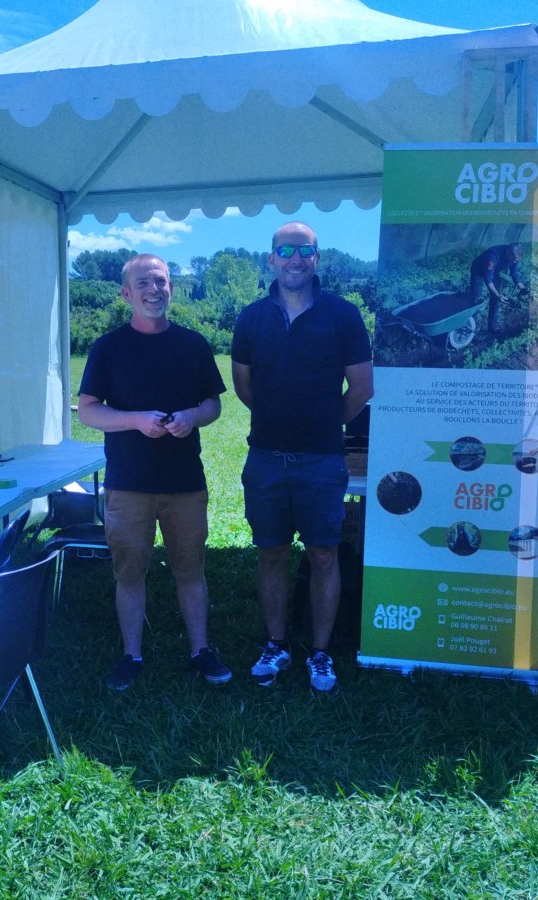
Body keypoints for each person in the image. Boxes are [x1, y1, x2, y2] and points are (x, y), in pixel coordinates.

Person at [78, 253, 231, 691]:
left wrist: (191, 417)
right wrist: (136, 420)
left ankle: (201, 651)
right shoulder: (108, 347)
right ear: (126, 293)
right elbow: (88, 411)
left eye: (161, 281)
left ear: (171, 289)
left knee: (191, 569)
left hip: (184, 482)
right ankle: (131, 655)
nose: (154, 289)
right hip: (129, 483)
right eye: (143, 282)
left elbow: (213, 404)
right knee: (129, 572)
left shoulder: (193, 344)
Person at [231, 222, 373, 693]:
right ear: (271, 259)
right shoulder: (251, 318)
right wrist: (279, 420)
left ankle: (320, 652)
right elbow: (244, 387)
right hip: (266, 459)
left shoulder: (343, 315)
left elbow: (362, 388)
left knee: (323, 554)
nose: (295, 258)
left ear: (317, 258)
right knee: (270, 553)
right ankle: (276, 645)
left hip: (322, 461)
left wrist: (325, 424)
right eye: (286, 250)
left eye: (304, 250)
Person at [468, 242, 528, 332]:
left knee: (495, 298)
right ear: (508, 253)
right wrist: (498, 295)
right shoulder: (493, 256)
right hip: (478, 272)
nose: (514, 262)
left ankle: (492, 326)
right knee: (476, 298)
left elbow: (514, 273)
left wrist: (522, 288)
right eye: (513, 260)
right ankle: (471, 326)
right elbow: (488, 280)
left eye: (516, 260)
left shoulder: (515, 257)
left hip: (494, 272)